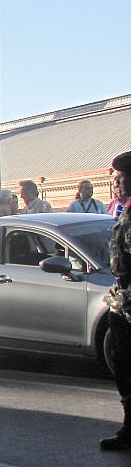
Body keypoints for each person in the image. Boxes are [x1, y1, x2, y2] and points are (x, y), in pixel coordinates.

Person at [100, 151, 131, 451]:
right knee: (123, 366)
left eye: (121, 180)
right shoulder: (125, 210)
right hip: (122, 300)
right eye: (114, 181)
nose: (116, 187)